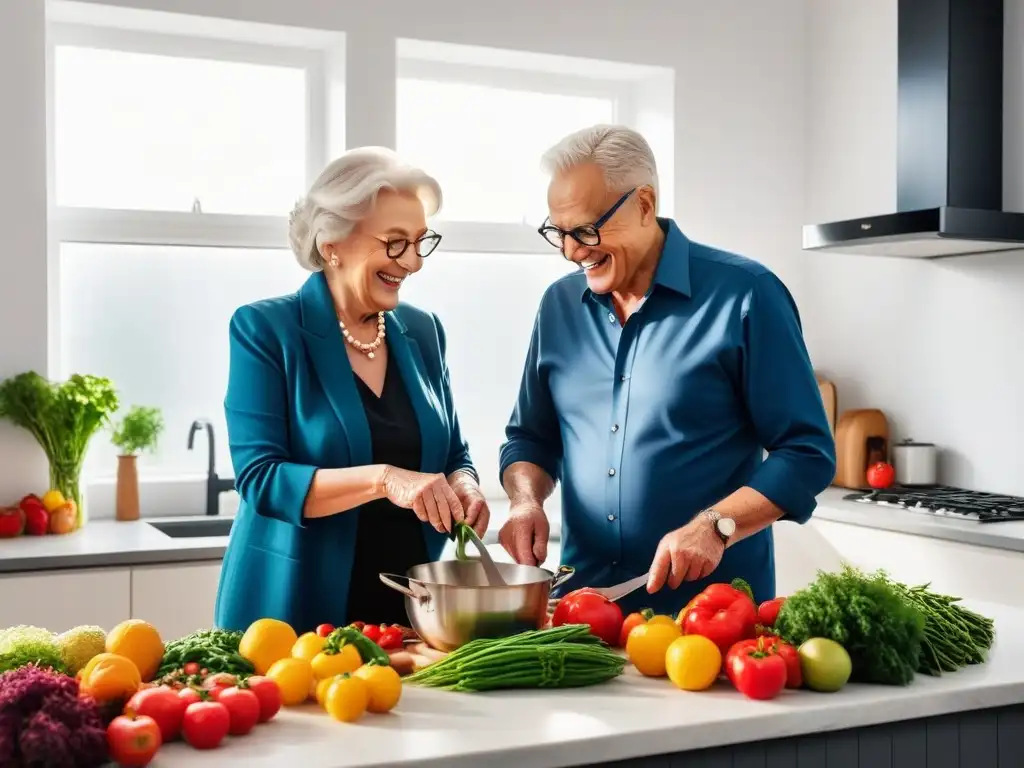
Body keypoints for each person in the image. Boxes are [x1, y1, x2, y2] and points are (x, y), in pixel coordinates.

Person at [497, 125, 835, 616]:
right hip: (581, 613)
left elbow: (806, 453)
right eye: (559, 233)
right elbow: (530, 437)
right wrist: (525, 500)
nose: (572, 251)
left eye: (586, 231)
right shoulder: (558, 307)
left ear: (644, 204)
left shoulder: (746, 295)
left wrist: (716, 525)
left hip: (711, 618)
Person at [214, 147, 489, 634]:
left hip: (410, 614)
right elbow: (261, 479)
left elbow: (453, 452)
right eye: (395, 242)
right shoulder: (265, 329)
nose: (414, 263)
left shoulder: (423, 331)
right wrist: (385, 479)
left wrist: (465, 483)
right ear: (332, 244)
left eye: (421, 242)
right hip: (295, 611)